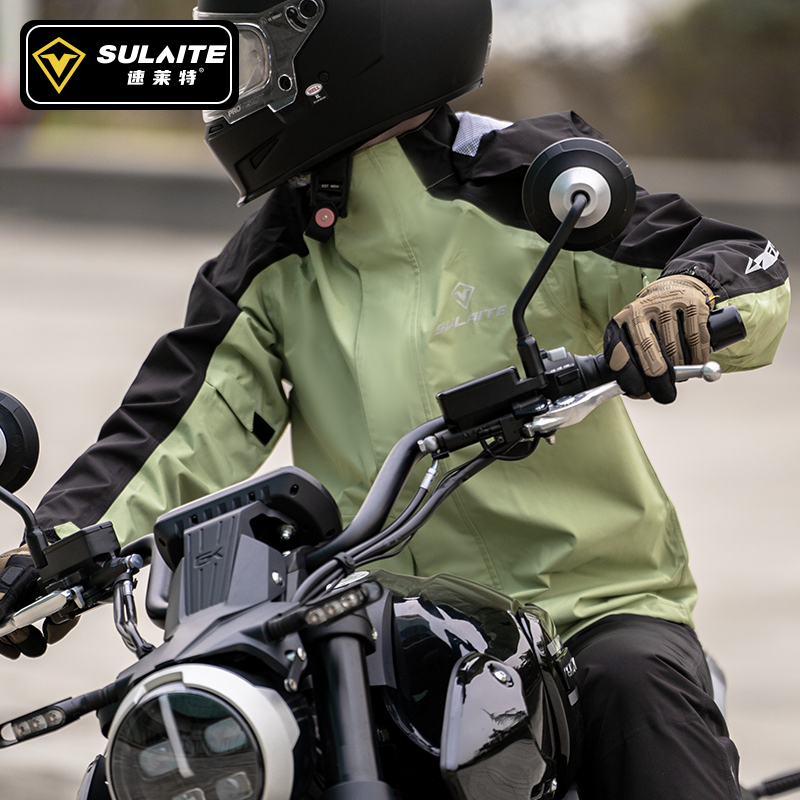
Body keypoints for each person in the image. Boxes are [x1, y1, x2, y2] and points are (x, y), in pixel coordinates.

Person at [0, 1, 790, 798]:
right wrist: (49, 552)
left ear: (357, 41)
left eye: (259, 59)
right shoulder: (276, 256)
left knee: (636, 690)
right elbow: (175, 429)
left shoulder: (533, 184)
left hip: (587, 607)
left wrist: (685, 294)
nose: (237, 90)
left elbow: (736, 257)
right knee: (184, 746)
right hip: (370, 622)